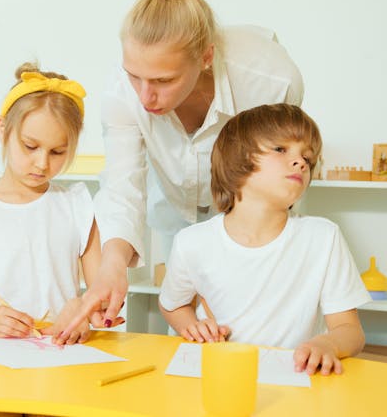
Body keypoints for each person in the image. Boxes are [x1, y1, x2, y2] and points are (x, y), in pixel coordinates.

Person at [60, 0, 305, 337]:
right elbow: (122, 185)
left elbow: (275, 172)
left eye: (163, 81)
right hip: (174, 200)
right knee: (188, 325)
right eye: (134, 76)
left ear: (206, 56)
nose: (145, 97)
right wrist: (112, 265)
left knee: (254, 315)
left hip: (252, 201)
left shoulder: (270, 80)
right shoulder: (121, 92)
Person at [159, 104, 370, 375]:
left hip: (293, 382)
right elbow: (173, 304)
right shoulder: (192, 242)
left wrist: (326, 343)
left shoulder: (323, 237)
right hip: (219, 374)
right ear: (236, 159)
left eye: (307, 157)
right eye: (281, 149)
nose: (301, 162)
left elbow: (351, 331)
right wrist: (190, 325)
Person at [0, 63, 120, 346]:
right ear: (2, 128)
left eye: (58, 152)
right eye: (30, 146)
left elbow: (102, 288)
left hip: (59, 355)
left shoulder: (76, 207)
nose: (42, 163)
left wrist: (83, 309)